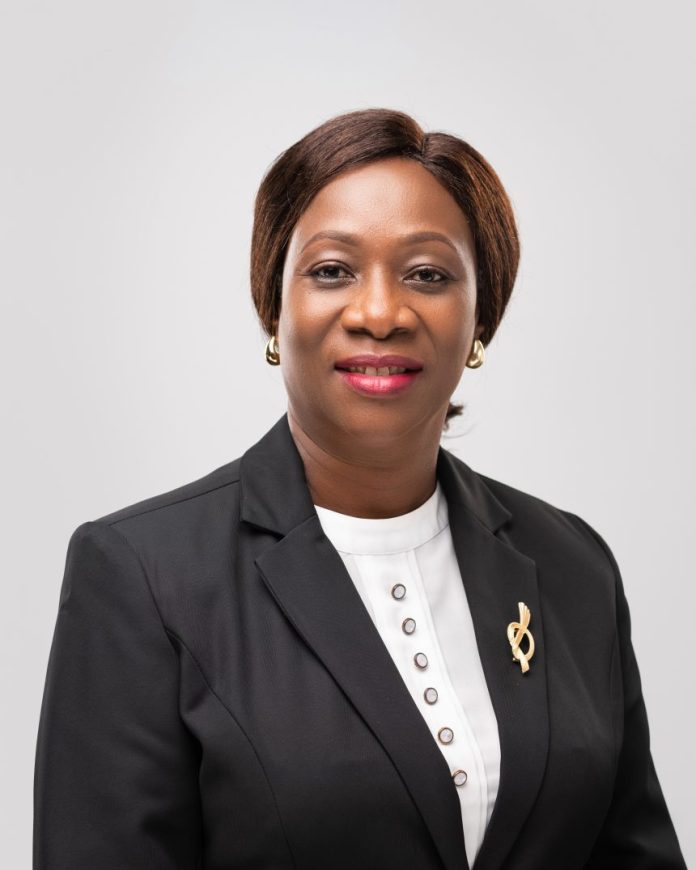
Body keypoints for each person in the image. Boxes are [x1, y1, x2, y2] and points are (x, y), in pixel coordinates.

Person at [33, 108, 686, 870]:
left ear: (481, 317)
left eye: (428, 274)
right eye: (332, 270)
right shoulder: (142, 576)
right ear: (273, 306)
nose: (380, 313)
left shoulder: (572, 564)